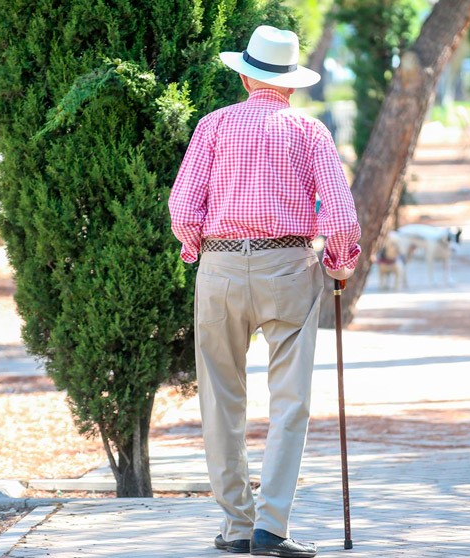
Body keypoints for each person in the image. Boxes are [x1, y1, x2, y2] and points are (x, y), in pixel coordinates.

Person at [168, 25, 361, 558]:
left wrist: (198, 250)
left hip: (221, 269)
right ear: (291, 83)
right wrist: (341, 264)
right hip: (289, 268)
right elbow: (341, 217)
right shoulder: (310, 131)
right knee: (291, 399)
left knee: (221, 398)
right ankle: (270, 527)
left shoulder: (213, 125)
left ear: (245, 75)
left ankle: (235, 524)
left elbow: (183, 210)